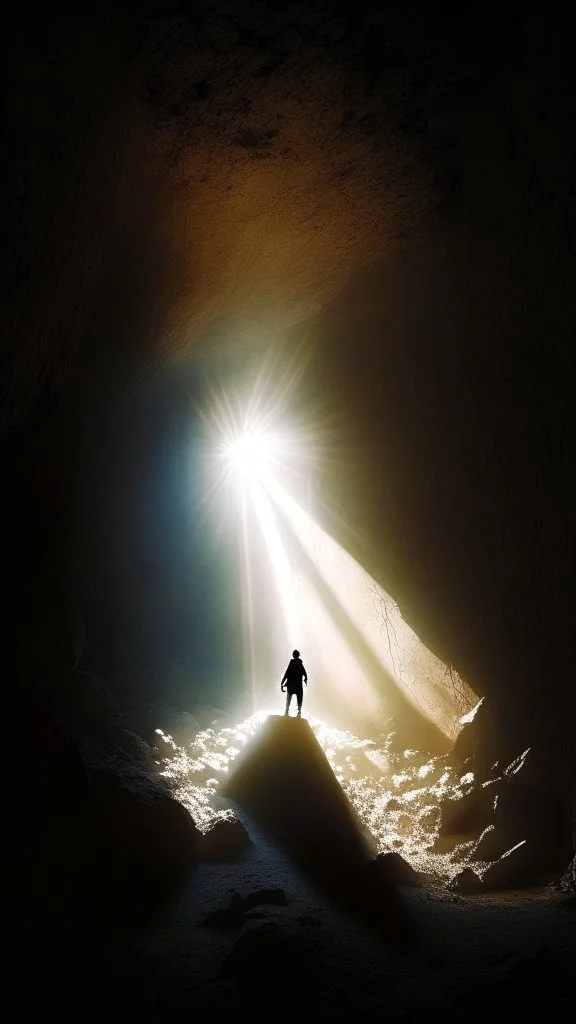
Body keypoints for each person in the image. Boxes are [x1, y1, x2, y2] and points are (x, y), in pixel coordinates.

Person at [281, 649, 308, 717]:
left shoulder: (292, 662)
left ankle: (287, 711)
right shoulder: (300, 663)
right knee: (299, 697)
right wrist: (305, 679)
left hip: (291, 684)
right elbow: (305, 673)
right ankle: (299, 712)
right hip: (298, 685)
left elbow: (287, 673)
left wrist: (282, 682)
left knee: (289, 697)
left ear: (293, 655)